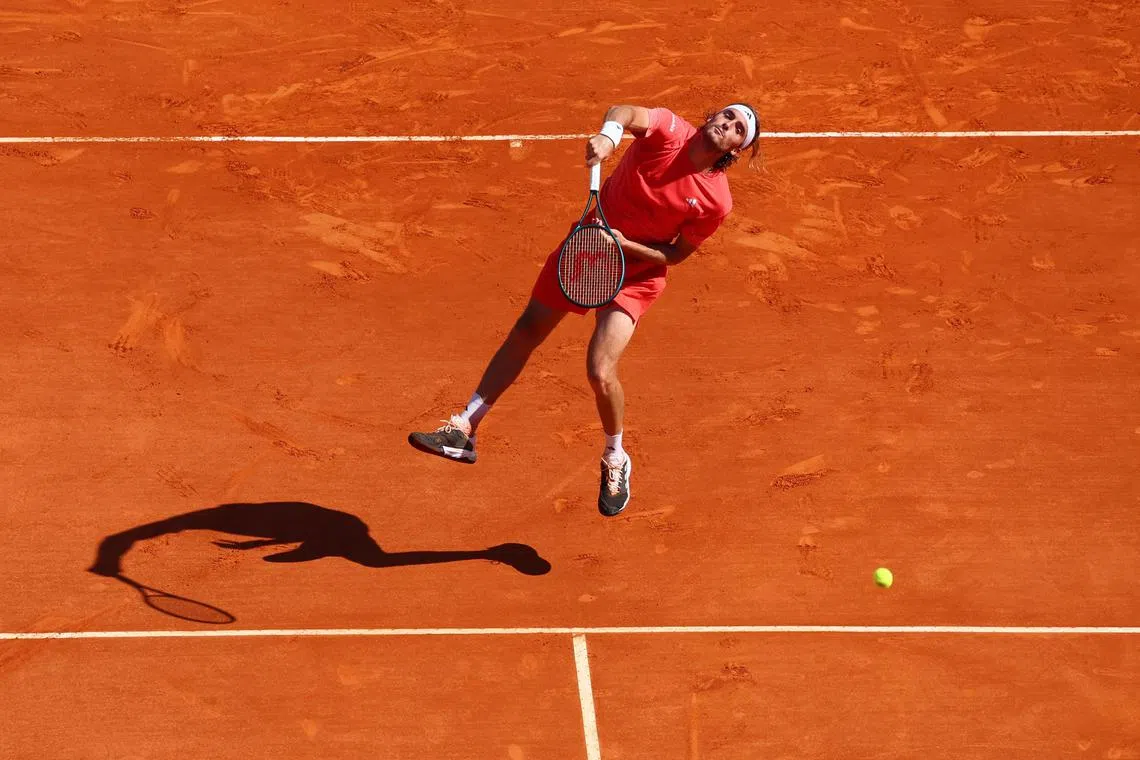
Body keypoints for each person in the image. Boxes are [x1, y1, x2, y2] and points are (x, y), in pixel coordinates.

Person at [409, 102, 760, 516]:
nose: (728, 125)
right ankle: (465, 428)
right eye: (727, 116)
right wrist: (609, 136)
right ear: (710, 117)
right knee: (528, 329)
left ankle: (615, 457)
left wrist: (626, 246)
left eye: (739, 129)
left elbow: (677, 254)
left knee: (599, 370)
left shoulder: (716, 201)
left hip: (638, 276)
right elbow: (625, 111)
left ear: (736, 149)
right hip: (590, 246)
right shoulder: (669, 130)